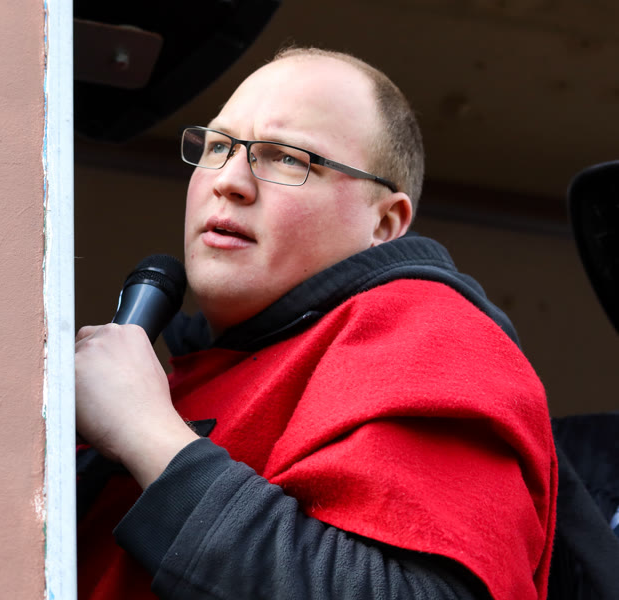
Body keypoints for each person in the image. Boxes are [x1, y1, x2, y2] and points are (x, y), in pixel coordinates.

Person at [75, 47, 557, 600]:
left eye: (287, 157)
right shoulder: (195, 369)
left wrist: (145, 431)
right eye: (218, 146)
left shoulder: (434, 337)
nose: (229, 180)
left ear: (385, 222)